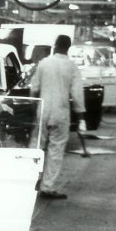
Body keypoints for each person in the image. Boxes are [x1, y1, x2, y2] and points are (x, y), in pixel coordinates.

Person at [30, 34, 86, 200]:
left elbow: (34, 88)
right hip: (61, 112)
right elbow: (77, 94)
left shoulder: (44, 63)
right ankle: (47, 188)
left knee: (36, 146)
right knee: (56, 150)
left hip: (43, 108)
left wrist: (34, 109)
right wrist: (81, 116)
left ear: (55, 45)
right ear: (68, 47)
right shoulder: (72, 67)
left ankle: (31, 180)